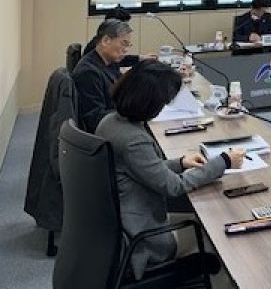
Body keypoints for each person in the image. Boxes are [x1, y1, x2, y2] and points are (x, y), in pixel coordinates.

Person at [95, 60, 245, 281]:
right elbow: (174, 186)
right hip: (144, 239)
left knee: (202, 217)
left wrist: (180, 163)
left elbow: (140, 169)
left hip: (123, 225)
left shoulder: (110, 122)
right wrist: (224, 161)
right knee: (219, 239)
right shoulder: (133, 140)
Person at [73, 19, 133, 133]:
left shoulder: (109, 62)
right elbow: (95, 118)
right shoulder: (88, 73)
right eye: (124, 43)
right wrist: (132, 113)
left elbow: (122, 88)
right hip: (104, 132)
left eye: (128, 45)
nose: (126, 50)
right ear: (105, 41)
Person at [84, 6, 155, 65]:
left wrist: (141, 58)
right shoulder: (95, 50)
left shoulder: (107, 54)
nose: (126, 50)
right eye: (124, 26)